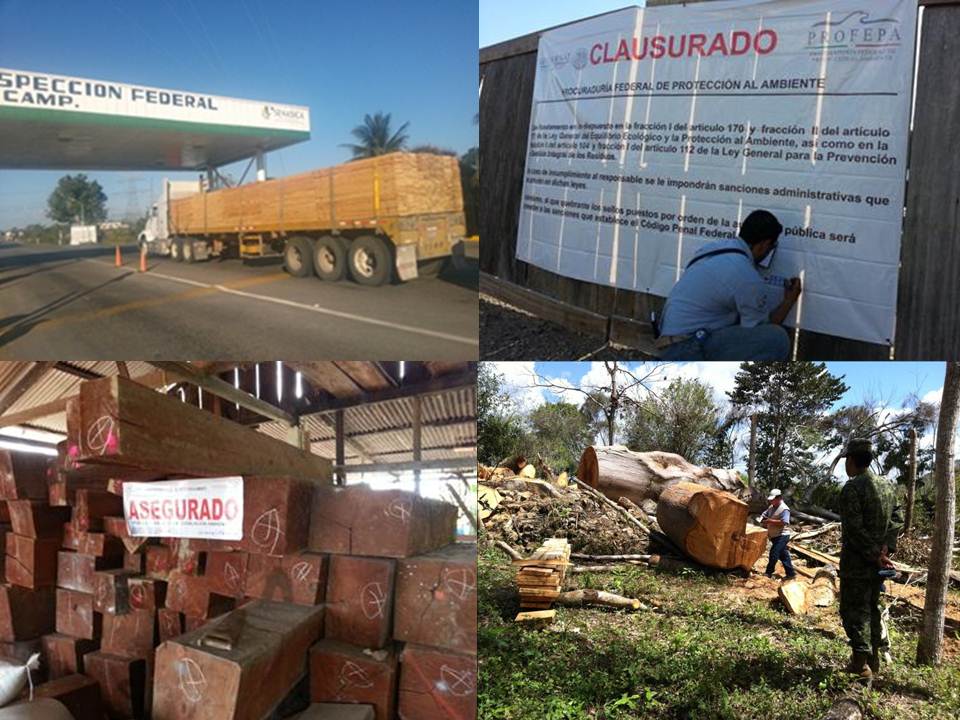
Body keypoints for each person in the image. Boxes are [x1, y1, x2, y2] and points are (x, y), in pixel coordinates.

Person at [656, 209, 802, 360]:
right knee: (776, 338)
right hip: (686, 348)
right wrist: (788, 301)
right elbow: (762, 329)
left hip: (668, 342)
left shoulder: (713, 249)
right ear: (764, 245)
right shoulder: (746, 276)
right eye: (772, 247)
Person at [837, 438, 904, 679]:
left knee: (854, 610)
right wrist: (887, 547)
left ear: (852, 461)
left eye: (847, 460)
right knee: (873, 608)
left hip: (857, 563)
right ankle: (874, 661)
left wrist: (876, 554)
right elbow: (897, 517)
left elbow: (854, 529)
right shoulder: (887, 486)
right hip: (878, 563)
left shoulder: (852, 488)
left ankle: (860, 665)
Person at [760, 488, 796, 579]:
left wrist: (769, 521)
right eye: (771, 500)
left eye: (773, 500)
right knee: (783, 555)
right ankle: (791, 574)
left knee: (774, 553)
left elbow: (784, 522)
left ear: (779, 498)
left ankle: (768, 572)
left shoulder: (784, 509)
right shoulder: (771, 507)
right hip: (775, 535)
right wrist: (762, 518)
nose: (771, 501)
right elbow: (765, 513)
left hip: (782, 535)